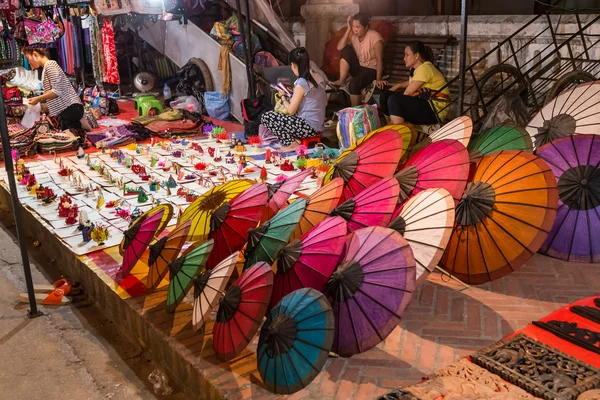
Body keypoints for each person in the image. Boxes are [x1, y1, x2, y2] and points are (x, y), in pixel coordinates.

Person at [260, 47, 326, 152]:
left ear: (293, 65)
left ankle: (290, 143)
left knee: (268, 117)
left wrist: (283, 97)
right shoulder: (318, 77)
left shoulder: (302, 83)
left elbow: (291, 111)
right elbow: (323, 102)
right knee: (281, 116)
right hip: (318, 124)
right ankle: (294, 139)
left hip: (308, 127)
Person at [379, 41, 450, 125]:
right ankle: (392, 127)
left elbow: (407, 93)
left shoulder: (425, 68)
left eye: (407, 55)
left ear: (416, 56)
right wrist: (395, 87)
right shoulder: (420, 69)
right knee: (386, 95)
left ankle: (396, 130)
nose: (404, 58)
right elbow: (410, 84)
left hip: (435, 110)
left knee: (395, 100)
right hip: (427, 104)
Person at [23, 48, 90, 132]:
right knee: (64, 133)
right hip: (66, 109)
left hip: (71, 108)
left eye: (28, 59)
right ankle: (80, 124)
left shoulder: (50, 65)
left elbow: (56, 91)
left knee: (67, 133)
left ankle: (82, 123)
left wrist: (37, 99)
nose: (29, 63)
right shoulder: (46, 67)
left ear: (35, 54)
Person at [331, 13, 386, 106]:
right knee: (346, 49)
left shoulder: (375, 37)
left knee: (353, 84)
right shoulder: (353, 35)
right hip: (360, 67)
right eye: (353, 27)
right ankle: (341, 80)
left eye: (358, 27)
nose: (355, 30)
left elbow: (380, 59)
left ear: (366, 27)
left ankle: (356, 114)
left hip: (372, 70)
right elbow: (339, 47)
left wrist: (378, 78)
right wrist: (348, 29)